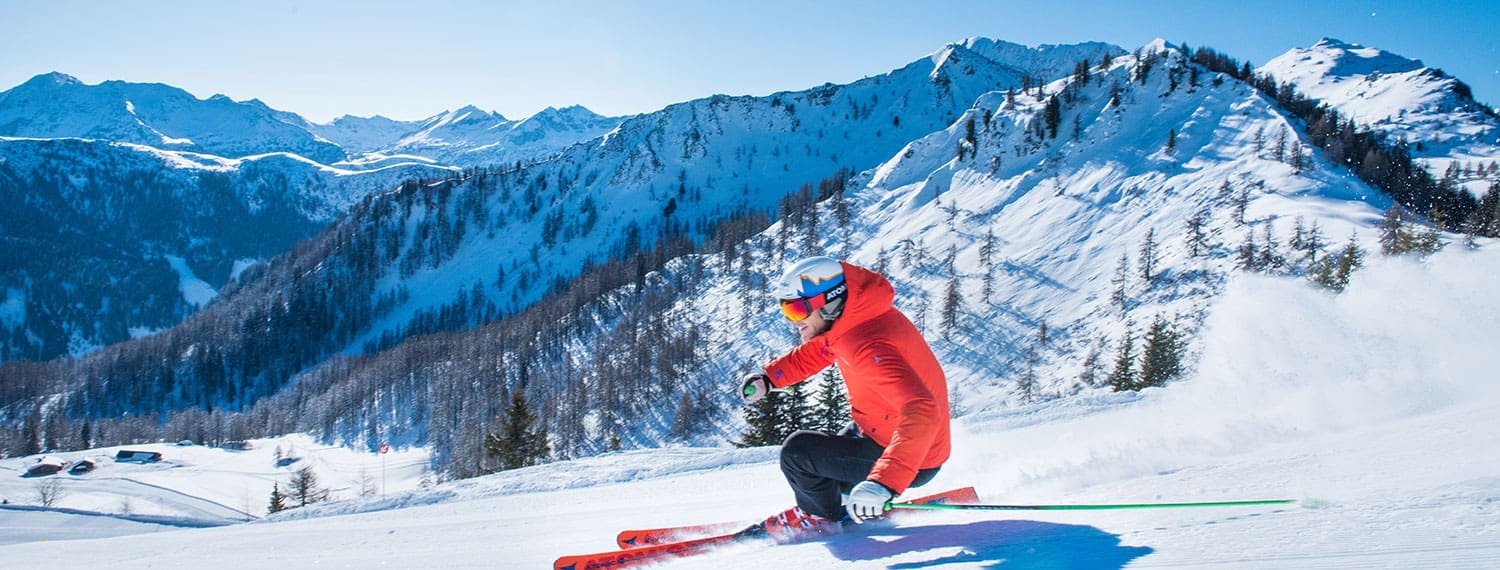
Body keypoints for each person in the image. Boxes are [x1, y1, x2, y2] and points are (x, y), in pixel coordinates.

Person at [739, 255, 950, 539]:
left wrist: (884, 482)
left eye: (798, 310)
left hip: (911, 455)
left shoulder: (866, 345)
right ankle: (834, 504)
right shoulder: (855, 320)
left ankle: (818, 520)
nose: (794, 321)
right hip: (882, 433)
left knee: (798, 453)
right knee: (824, 463)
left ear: (829, 302)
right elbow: (820, 350)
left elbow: (923, 409)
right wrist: (771, 378)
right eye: (787, 311)